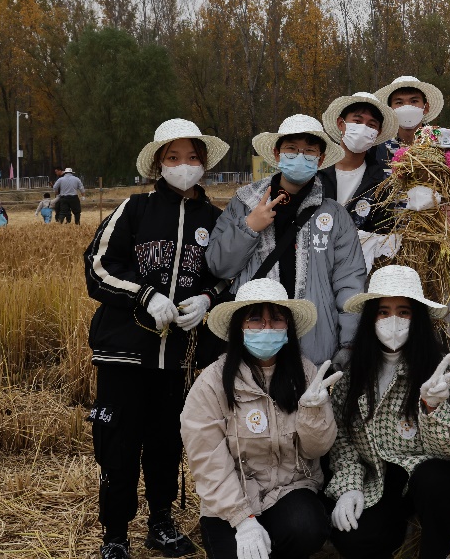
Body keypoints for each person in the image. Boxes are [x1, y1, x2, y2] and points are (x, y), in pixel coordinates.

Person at [84, 118, 232, 559]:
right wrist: (144, 295)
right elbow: (98, 267)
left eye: (192, 157)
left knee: (167, 441)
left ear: (203, 164)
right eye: (173, 157)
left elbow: (229, 275)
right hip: (125, 352)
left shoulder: (215, 220)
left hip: (179, 357)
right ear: (158, 164)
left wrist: (207, 298)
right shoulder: (134, 210)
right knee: (119, 443)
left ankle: (161, 522)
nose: (183, 165)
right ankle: (115, 534)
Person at [326, 265, 450, 559]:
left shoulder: (440, 369)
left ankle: (440, 550)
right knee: (354, 539)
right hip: (380, 476)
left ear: (417, 317)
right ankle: (401, 528)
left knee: (433, 482)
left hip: (434, 473)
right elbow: (341, 438)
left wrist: (432, 408)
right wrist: (349, 486)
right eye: (383, 312)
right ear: (371, 317)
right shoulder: (354, 372)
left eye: (403, 312)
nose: (393, 320)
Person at [181, 278, 339, 559]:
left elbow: (317, 450)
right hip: (231, 502)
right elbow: (208, 461)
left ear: (288, 327)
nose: (267, 328)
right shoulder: (212, 383)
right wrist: (243, 519)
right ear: (239, 327)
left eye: (276, 319)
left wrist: (313, 413)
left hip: (289, 488)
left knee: (307, 527)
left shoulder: (305, 374)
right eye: (255, 320)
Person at [207, 114, 367, 367]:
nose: (300, 156)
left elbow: (349, 282)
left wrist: (350, 342)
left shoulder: (335, 215)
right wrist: (249, 228)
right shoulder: (245, 203)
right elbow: (219, 265)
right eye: (291, 149)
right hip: (254, 338)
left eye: (309, 151)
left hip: (315, 342)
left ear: (321, 159)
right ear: (277, 153)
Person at [318, 91, 399, 233]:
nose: (363, 128)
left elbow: (382, 231)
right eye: (357, 121)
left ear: (378, 133)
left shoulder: (381, 183)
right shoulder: (316, 173)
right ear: (341, 123)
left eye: (371, 125)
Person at [373, 75, 447, 165]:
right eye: (399, 102)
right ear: (390, 110)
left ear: (426, 107)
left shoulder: (442, 143)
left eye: (414, 101)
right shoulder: (376, 149)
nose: (407, 107)